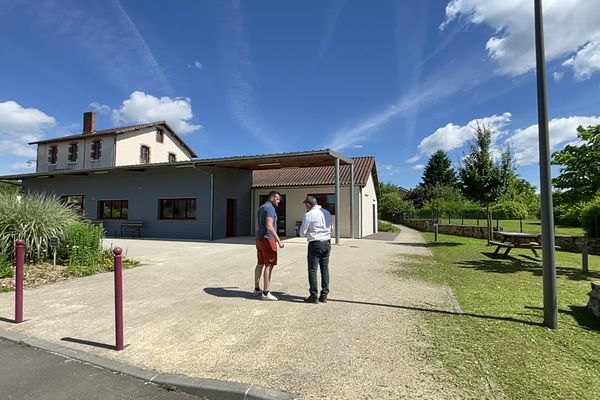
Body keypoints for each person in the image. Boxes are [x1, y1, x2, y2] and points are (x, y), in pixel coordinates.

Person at [299, 195, 333, 304]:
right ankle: (324, 295)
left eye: (305, 205)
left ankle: (313, 296)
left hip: (315, 243)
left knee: (313, 270)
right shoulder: (327, 213)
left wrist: (310, 232)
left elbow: (302, 232)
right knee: (324, 269)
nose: (305, 207)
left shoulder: (308, 215)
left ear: (309, 204)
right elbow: (331, 228)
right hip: (327, 242)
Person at [254, 191, 285, 301]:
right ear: (272, 198)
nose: (279, 201)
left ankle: (257, 289)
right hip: (268, 239)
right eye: (277, 199)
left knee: (260, 263)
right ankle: (266, 293)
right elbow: (269, 226)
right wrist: (279, 240)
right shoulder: (270, 209)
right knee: (269, 265)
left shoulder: (261, 207)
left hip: (259, 238)